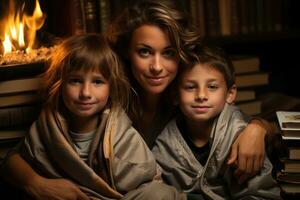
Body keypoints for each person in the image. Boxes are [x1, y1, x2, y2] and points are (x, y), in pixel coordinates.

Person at [0, 0, 271, 199]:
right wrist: (37, 183)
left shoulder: (190, 98)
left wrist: (257, 128)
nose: (156, 67)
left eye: (168, 53)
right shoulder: (104, 95)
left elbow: (235, 123)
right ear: (127, 52)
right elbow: (20, 154)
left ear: (181, 56)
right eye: (144, 52)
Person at [0, 34, 186, 200]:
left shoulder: (121, 134)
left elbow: (149, 180)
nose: (86, 93)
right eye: (75, 81)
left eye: (97, 82)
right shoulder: (47, 128)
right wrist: (38, 183)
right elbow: (14, 159)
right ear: (60, 83)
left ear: (110, 87)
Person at [152, 45, 281, 199]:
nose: (201, 95)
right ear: (175, 95)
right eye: (190, 87)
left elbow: (261, 194)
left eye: (212, 87)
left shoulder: (239, 135)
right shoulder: (164, 144)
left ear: (230, 94)